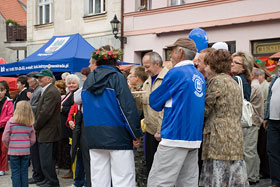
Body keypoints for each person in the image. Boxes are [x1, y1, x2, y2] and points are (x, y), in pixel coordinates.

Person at [148, 38, 206, 187]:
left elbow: (154, 101)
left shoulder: (176, 72)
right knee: (188, 182)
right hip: (193, 138)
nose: (170, 56)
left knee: (159, 182)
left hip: (174, 135)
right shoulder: (199, 76)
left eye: (172, 52)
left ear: (180, 52)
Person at [82, 45, 142, 187]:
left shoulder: (87, 81)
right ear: (115, 61)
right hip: (117, 134)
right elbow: (127, 108)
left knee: (98, 179)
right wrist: (135, 133)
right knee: (123, 178)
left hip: (93, 134)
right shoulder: (117, 78)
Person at [199, 49, 249, 186]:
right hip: (234, 136)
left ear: (214, 66)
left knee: (218, 177)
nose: (205, 69)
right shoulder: (232, 82)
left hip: (218, 138)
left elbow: (205, 110)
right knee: (233, 175)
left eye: (207, 65)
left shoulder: (216, 82)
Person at [134, 52, 169, 176]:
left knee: (163, 170)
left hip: (162, 133)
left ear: (157, 63)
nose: (145, 70)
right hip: (150, 131)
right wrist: (135, 94)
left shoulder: (167, 78)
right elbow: (142, 105)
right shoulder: (148, 80)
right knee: (151, 167)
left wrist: (160, 130)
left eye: (147, 66)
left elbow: (166, 107)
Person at [34, 69, 61, 187]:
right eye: (38, 77)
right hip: (46, 130)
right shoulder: (48, 90)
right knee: (45, 158)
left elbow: (45, 113)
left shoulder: (51, 91)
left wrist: (36, 126)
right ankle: (48, 179)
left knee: (47, 159)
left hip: (48, 130)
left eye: (41, 77)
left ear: (49, 79)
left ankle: (52, 182)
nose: (39, 79)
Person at [67, 67, 92, 187]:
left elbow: (76, 100)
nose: (83, 79)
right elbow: (73, 108)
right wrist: (70, 120)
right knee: (80, 156)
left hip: (87, 126)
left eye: (84, 77)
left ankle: (86, 183)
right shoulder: (76, 92)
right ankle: (78, 181)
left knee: (88, 159)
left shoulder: (86, 90)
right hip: (79, 127)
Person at [2, 101, 36, 187]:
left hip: (13, 151)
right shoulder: (30, 123)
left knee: (15, 172)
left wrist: (9, 146)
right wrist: (27, 145)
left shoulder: (11, 121)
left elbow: (5, 138)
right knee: (24, 172)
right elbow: (33, 139)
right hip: (25, 151)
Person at [244, 67, 264, 185]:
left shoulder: (254, 86)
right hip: (255, 120)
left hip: (252, 121)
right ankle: (255, 175)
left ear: (253, 75)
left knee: (249, 150)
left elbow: (247, 100)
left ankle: (250, 176)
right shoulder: (256, 85)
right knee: (253, 150)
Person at [58, 74, 80, 179]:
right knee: (66, 148)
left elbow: (74, 109)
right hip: (64, 126)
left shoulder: (76, 94)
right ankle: (69, 169)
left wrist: (62, 108)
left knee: (70, 149)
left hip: (70, 126)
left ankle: (72, 171)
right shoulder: (68, 94)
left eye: (73, 83)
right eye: (69, 83)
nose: (71, 85)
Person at [26, 72, 45, 185]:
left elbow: (39, 107)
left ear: (34, 80)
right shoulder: (37, 90)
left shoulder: (39, 90)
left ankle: (37, 175)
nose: (27, 81)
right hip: (34, 124)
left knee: (35, 152)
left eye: (29, 79)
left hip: (36, 125)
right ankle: (37, 174)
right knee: (34, 152)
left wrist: (27, 105)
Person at [264, 59, 280, 187]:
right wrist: (266, 117)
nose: (278, 64)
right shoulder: (275, 79)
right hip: (273, 121)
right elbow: (269, 99)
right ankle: (276, 181)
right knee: (272, 151)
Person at [0, 81, 13, 176]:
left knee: (3, 150)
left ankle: (2, 168)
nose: (0, 92)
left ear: (5, 91)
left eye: (1, 90)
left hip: (4, 129)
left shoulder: (9, 102)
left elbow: (10, 115)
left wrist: (0, 123)